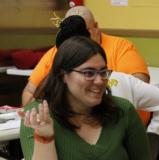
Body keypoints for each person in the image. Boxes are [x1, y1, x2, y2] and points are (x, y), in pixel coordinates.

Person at [19, 36, 153, 160]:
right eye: (88, 73)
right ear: (63, 75)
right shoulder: (40, 114)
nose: (99, 81)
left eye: (103, 72)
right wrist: (45, 137)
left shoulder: (123, 111)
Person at [22, 6, 151, 123]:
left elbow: (139, 84)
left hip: (120, 122)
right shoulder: (58, 52)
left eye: (85, 32)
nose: (79, 39)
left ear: (96, 27)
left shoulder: (120, 47)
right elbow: (30, 93)